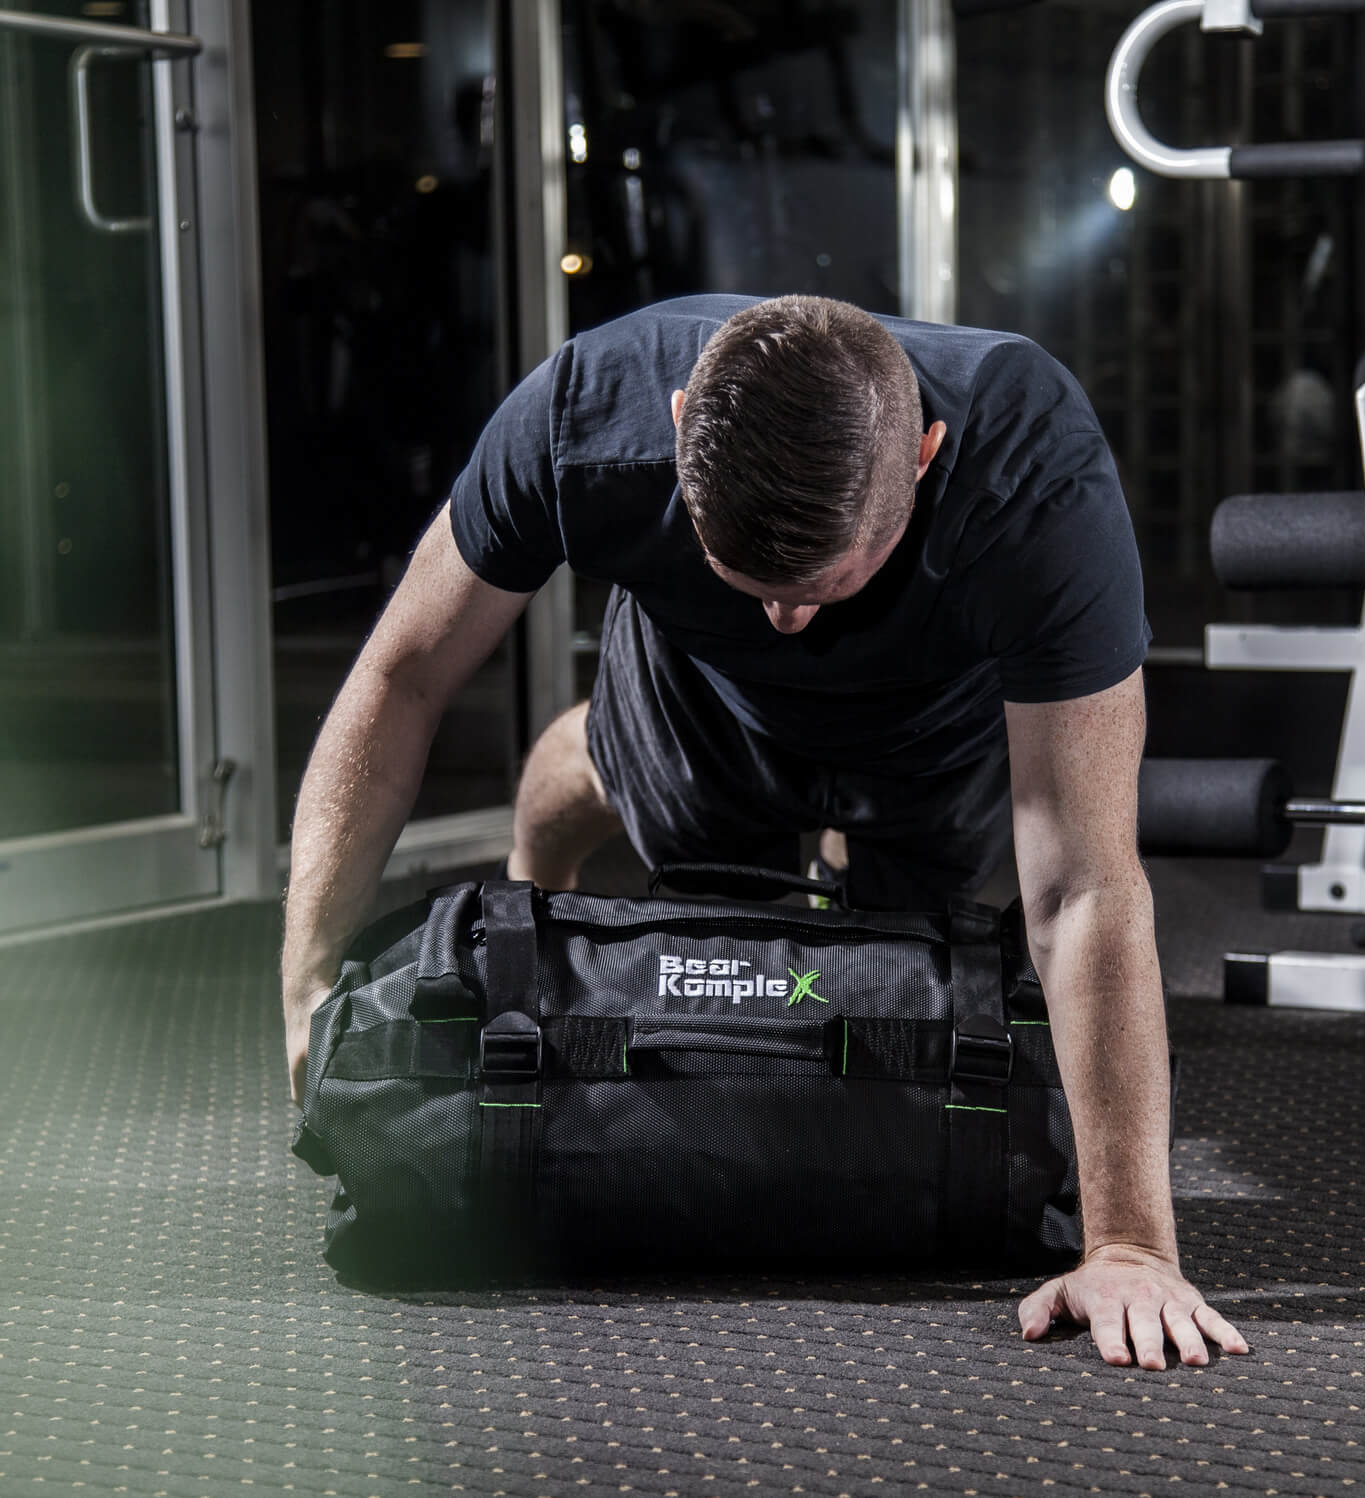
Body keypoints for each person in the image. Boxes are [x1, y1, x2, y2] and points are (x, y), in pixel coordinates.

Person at [281, 292, 1249, 1371]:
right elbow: (404, 675)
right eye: (755, 581)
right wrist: (305, 977)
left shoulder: (1036, 476)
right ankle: (577, 813)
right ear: (681, 417)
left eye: (819, 587)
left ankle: (828, 833)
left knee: (886, 981)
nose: (788, 619)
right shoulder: (584, 418)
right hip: (696, 693)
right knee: (688, 870)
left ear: (927, 454)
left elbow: (1082, 886)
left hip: (938, 729)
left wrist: (1128, 1242)